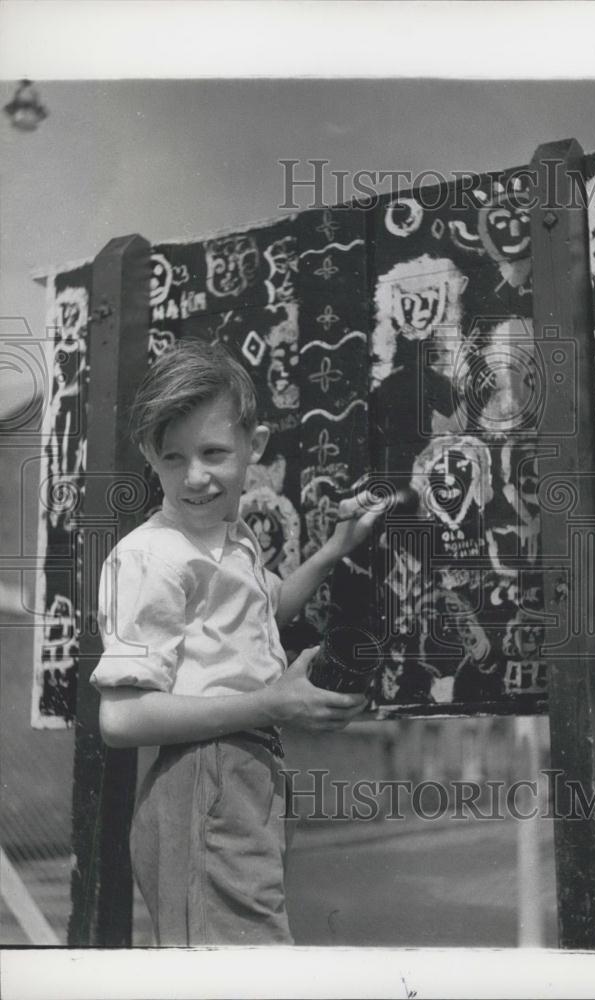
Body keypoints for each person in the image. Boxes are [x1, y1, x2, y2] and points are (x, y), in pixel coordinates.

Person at [91, 340, 383, 946]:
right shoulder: (150, 556)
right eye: (173, 458)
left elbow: (267, 607)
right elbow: (120, 716)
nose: (195, 476)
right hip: (208, 773)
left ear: (257, 445)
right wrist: (271, 703)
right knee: (248, 968)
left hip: (249, 772)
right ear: (150, 454)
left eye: (215, 453)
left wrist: (332, 550)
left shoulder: (233, 537)